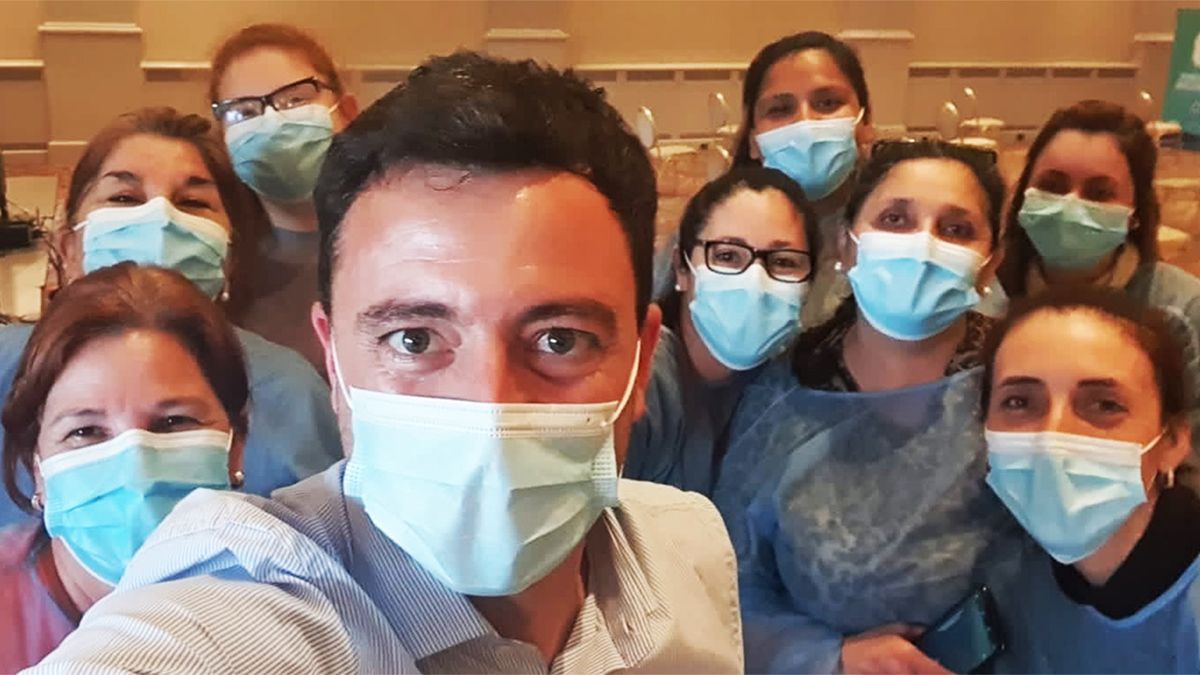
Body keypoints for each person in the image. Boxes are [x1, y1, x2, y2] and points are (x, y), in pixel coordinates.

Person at [33, 52, 743, 673]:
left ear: (641, 363)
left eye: (559, 340)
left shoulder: (689, 551)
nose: (488, 410)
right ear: (334, 362)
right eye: (413, 340)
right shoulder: (249, 595)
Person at [714, 140, 1023, 673]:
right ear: (848, 244)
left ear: (989, 264)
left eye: (955, 229)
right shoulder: (784, 391)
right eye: (895, 219)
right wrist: (826, 657)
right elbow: (726, 578)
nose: (922, 245)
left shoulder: (1021, 386)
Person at [0, 107, 340, 531]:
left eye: (192, 203)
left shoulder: (289, 393)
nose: (159, 219)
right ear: (68, 247)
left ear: (230, 256)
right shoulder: (5, 365)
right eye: (124, 199)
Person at [0, 264, 250, 670]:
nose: (136, 468)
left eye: (174, 422)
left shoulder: (291, 602)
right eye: (85, 431)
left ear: (235, 449)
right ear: (39, 471)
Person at [980, 286, 1200, 672]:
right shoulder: (1013, 580)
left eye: (1104, 405)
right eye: (1019, 402)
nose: (1052, 437)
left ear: (1172, 442)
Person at [998, 99, 1200, 488]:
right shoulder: (985, 299)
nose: (1071, 204)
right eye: (1053, 186)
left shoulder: (1182, 310)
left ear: (1135, 211)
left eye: (1098, 193)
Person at [627, 166, 817, 494]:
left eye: (783, 262)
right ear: (682, 268)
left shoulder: (785, 391)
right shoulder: (643, 381)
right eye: (728, 256)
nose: (756, 280)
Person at [208, 23, 359, 372]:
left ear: (347, 111)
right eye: (244, 112)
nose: (272, 121)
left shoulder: (398, 241)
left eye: (296, 100)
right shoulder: (214, 263)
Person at [731, 31, 875, 328]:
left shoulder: (898, 235)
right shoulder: (714, 230)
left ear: (865, 124)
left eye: (828, 103)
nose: (805, 123)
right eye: (780, 109)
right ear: (753, 140)